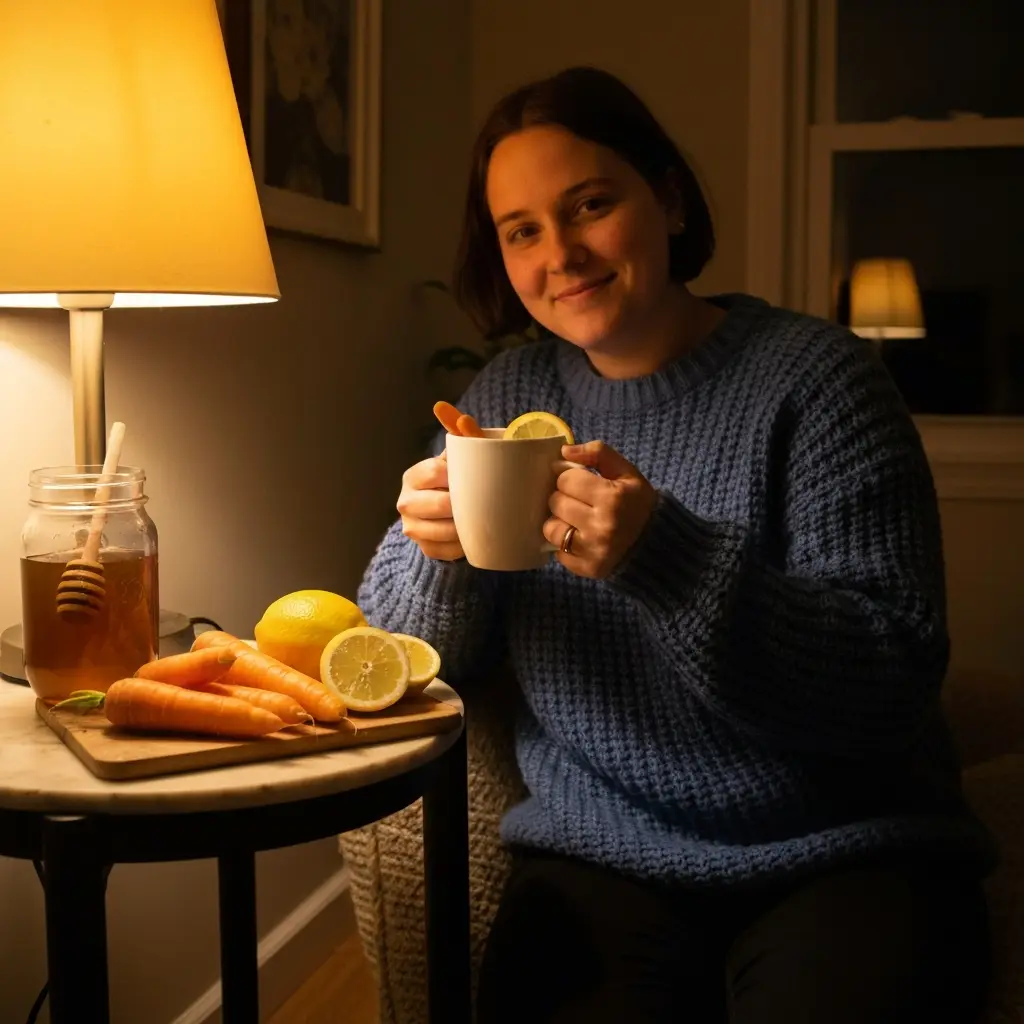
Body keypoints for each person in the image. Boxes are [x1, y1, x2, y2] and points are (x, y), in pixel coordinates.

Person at [357, 66, 995, 1023]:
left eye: (591, 204)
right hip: (596, 855)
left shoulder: (821, 383)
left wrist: (667, 557)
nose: (560, 253)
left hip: (842, 850)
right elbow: (415, 659)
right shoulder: (500, 398)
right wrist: (430, 549)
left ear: (666, 193)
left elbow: (890, 680)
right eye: (521, 230)